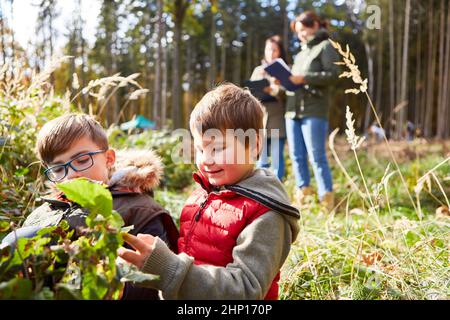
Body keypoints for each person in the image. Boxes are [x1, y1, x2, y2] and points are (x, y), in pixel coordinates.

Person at [117, 83, 300, 300]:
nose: (206, 159)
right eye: (200, 149)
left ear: (255, 145)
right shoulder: (203, 194)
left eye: (219, 148)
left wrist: (169, 269)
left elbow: (246, 290)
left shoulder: (265, 214)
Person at [11, 113, 179, 300]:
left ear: (109, 159)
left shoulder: (140, 211)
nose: (71, 175)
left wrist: (118, 290)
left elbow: (158, 282)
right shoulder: (41, 214)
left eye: (82, 160)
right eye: (58, 169)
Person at [285, 10, 339, 210]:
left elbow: (334, 75)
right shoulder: (300, 54)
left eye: (303, 29)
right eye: (298, 32)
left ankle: (327, 199)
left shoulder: (326, 47)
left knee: (317, 155)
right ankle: (303, 196)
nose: (301, 34)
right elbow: (294, 80)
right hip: (292, 111)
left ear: (315, 25)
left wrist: (306, 78)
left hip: (314, 109)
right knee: (296, 156)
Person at [249, 35, 287, 181]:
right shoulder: (258, 70)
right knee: (262, 160)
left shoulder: (284, 69)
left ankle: (276, 195)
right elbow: (250, 92)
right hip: (260, 120)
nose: (271, 53)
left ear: (280, 52)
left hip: (278, 118)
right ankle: (262, 193)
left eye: (275, 50)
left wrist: (275, 89)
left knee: (277, 160)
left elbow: (289, 93)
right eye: (268, 49)